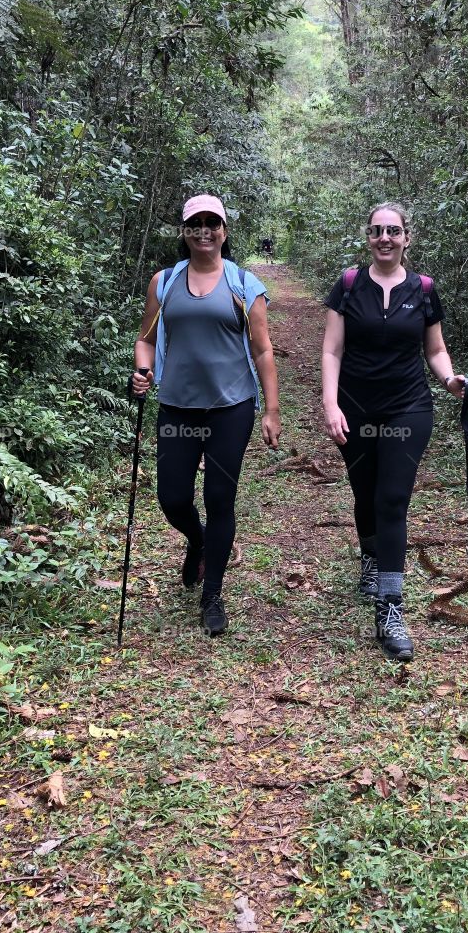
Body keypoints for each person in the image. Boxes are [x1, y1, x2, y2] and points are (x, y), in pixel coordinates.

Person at [321, 202, 468, 662]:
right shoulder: (348, 286)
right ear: (368, 237)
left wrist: (450, 380)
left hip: (408, 407)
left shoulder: (423, 289)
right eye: (377, 231)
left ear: (408, 237)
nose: (385, 238)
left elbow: (436, 349)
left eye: (394, 231)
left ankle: (390, 606)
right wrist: (330, 404)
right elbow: (331, 350)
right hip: (355, 405)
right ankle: (369, 557)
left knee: (392, 500)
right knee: (364, 494)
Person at [132, 195, 281, 637]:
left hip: (230, 408)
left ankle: (212, 594)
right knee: (172, 497)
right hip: (177, 404)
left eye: (211, 223)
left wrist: (271, 409)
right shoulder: (165, 282)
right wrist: (143, 370)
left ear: (224, 230)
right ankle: (196, 540)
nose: (203, 231)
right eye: (195, 223)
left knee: (220, 499)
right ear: (184, 231)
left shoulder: (243, 284)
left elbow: (262, 349)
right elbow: (145, 339)